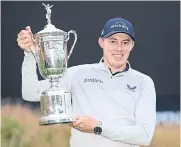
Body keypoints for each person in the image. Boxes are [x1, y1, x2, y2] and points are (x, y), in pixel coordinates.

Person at [17, 17, 156, 147]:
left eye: (125, 42)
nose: (119, 48)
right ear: (101, 42)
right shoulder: (78, 73)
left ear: (132, 45)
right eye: (113, 41)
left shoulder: (143, 82)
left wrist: (98, 127)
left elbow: (144, 136)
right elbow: (31, 92)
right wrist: (29, 54)